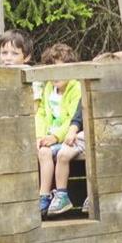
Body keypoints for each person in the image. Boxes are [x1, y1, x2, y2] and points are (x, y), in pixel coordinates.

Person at [34, 41, 84, 215]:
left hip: (66, 137)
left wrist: (55, 137)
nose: (55, 77)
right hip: (50, 138)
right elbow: (40, 113)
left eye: (60, 71)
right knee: (43, 152)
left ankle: (61, 195)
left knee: (59, 152)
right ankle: (44, 196)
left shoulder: (76, 88)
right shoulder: (49, 89)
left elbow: (73, 118)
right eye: (51, 71)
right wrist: (40, 136)